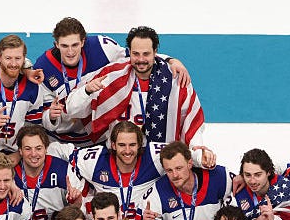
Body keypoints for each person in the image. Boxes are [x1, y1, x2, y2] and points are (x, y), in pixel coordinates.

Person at [35, 17, 191, 146]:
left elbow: (137, 57)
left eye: (75, 45)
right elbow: (42, 116)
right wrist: (51, 116)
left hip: (96, 137)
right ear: (56, 44)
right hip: (60, 140)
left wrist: (170, 60)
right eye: (64, 46)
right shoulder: (43, 67)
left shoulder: (102, 47)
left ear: (83, 41)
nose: (70, 52)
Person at [63, 26, 206, 155]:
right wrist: (87, 91)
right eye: (136, 54)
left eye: (146, 54)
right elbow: (71, 109)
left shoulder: (175, 80)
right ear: (129, 52)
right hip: (119, 158)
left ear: (155, 52)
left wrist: (197, 151)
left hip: (161, 160)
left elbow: (192, 118)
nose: (141, 59)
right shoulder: (111, 74)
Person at [71, 122, 203, 220]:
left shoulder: (153, 156)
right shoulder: (95, 161)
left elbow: (182, 155)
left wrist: (202, 157)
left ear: (140, 144)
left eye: (132, 145)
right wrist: (78, 190)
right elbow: (70, 158)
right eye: (122, 145)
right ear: (113, 145)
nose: (127, 151)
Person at [140, 141, 231, 220]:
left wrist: (241, 178)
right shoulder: (157, 192)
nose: (175, 175)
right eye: (169, 170)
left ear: (190, 164)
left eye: (179, 168)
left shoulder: (219, 177)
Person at [0, 34, 52, 155]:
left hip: (17, 154)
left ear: (24, 59)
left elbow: (34, 129)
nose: (13, 64)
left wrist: (19, 155)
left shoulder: (33, 86)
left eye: (18, 58)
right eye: (8, 58)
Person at [12, 125, 84, 220]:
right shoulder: (9, 175)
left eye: (38, 148)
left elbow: (76, 211)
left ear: (46, 149)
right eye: (28, 149)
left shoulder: (62, 170)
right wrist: (9, 183)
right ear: (20, 151)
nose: (34, 154)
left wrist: (76, 203)